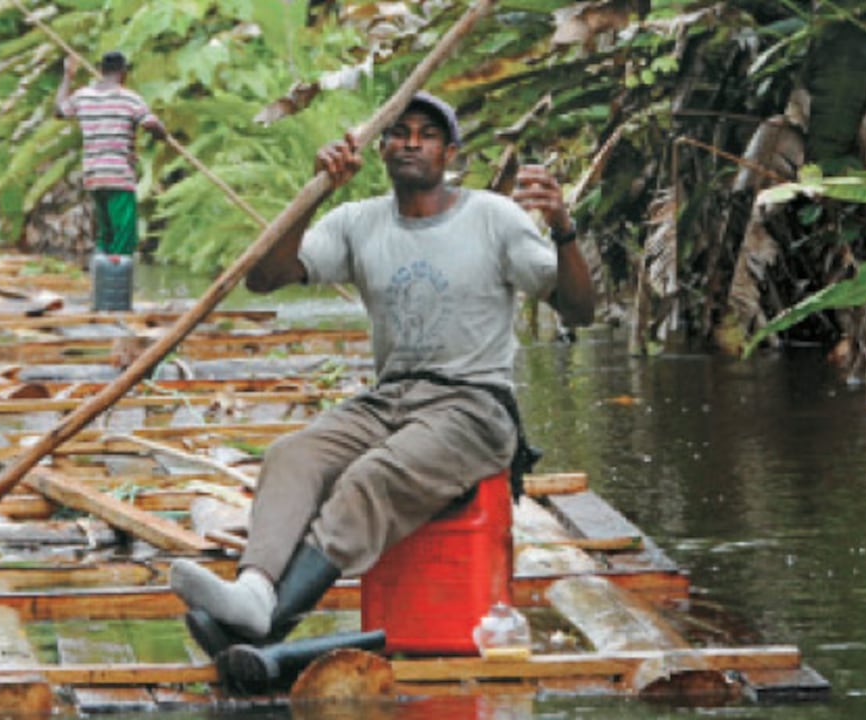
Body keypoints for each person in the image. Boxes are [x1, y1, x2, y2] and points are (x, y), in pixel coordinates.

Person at [169, 92, 595, 668]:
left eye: (427, 133)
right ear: (383, 148)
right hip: (389, 399)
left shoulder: (493, 218)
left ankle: (266, 625)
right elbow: (267, 278)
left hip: (472, 406)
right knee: (293, 455)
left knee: (371, 477)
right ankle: (255, 590)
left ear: (450, 152)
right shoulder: (357, 220)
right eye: (399, 132)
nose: (411, 142)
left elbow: (579, 308)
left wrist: (563, 227)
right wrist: (313, 195)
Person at [56, 50, 166, 255]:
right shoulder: (130, 99)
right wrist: (163, 132)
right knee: (124, 236)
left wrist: (67, 76)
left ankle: (102, 282)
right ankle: (116, 284)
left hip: (94, 176)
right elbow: (152, 126)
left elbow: (59, 110)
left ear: (100, 70)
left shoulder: (82, 96)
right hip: (118, 176)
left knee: (105, 235)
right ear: (123, 72)